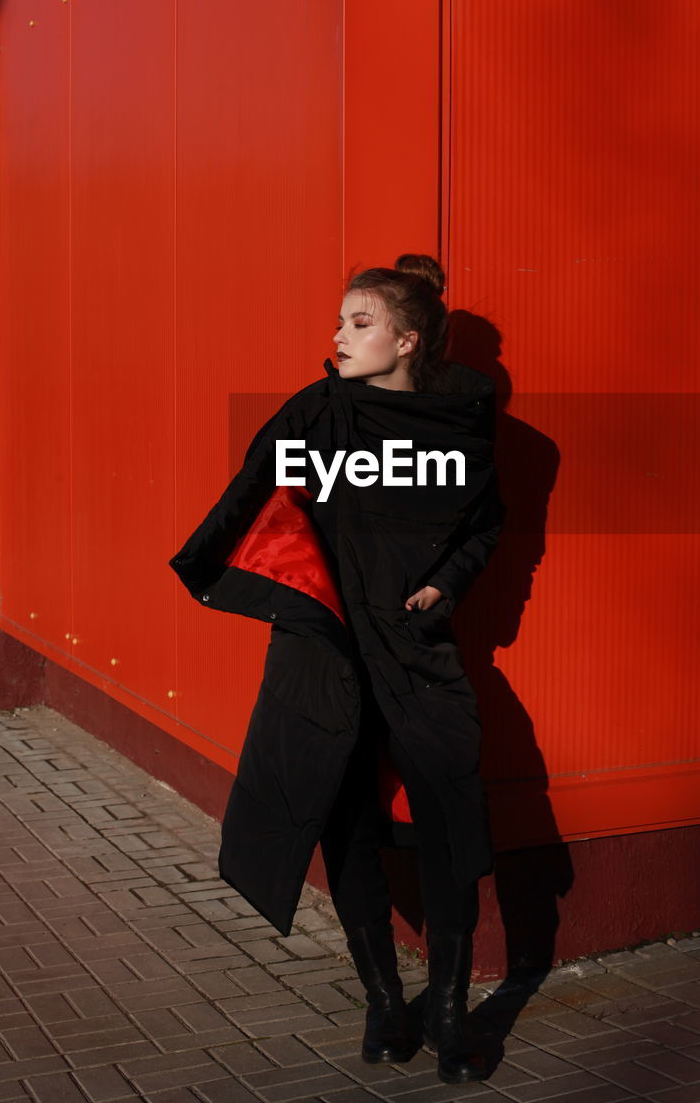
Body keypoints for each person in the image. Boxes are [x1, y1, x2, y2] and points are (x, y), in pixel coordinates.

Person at [169, 254, 505, 1085]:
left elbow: (483, 527)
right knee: (341, 815)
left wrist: (445, 584)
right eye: (339, 321)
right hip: (321, 649)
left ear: (406, 338)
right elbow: (248, 511)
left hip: (417, 648)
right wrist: (292, 601)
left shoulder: (463, 420)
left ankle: (453, 1014)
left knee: (451, 819)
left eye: (358, 323)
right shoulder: (313, 415)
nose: (338, 336)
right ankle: (384, 1003)